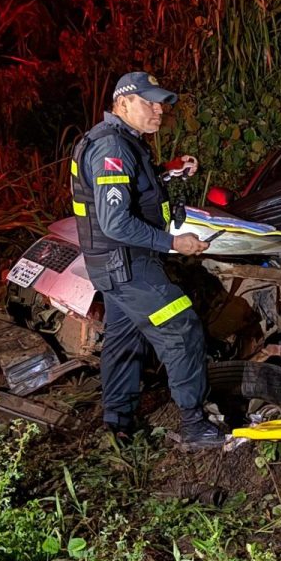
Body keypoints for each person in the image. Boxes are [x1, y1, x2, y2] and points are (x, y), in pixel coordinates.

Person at [68, 71, 223, 447]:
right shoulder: (113, 148)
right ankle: (194, 425)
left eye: (161, 104)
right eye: (149, 102)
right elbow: (115, 221)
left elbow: (133, 186)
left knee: (124, 338)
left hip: (113, 265)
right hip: (127, 264)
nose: (159, 110)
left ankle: (118, 422)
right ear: (123, 103)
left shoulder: (119, 140)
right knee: (181, 328)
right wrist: (173, 242)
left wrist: (168, 171)